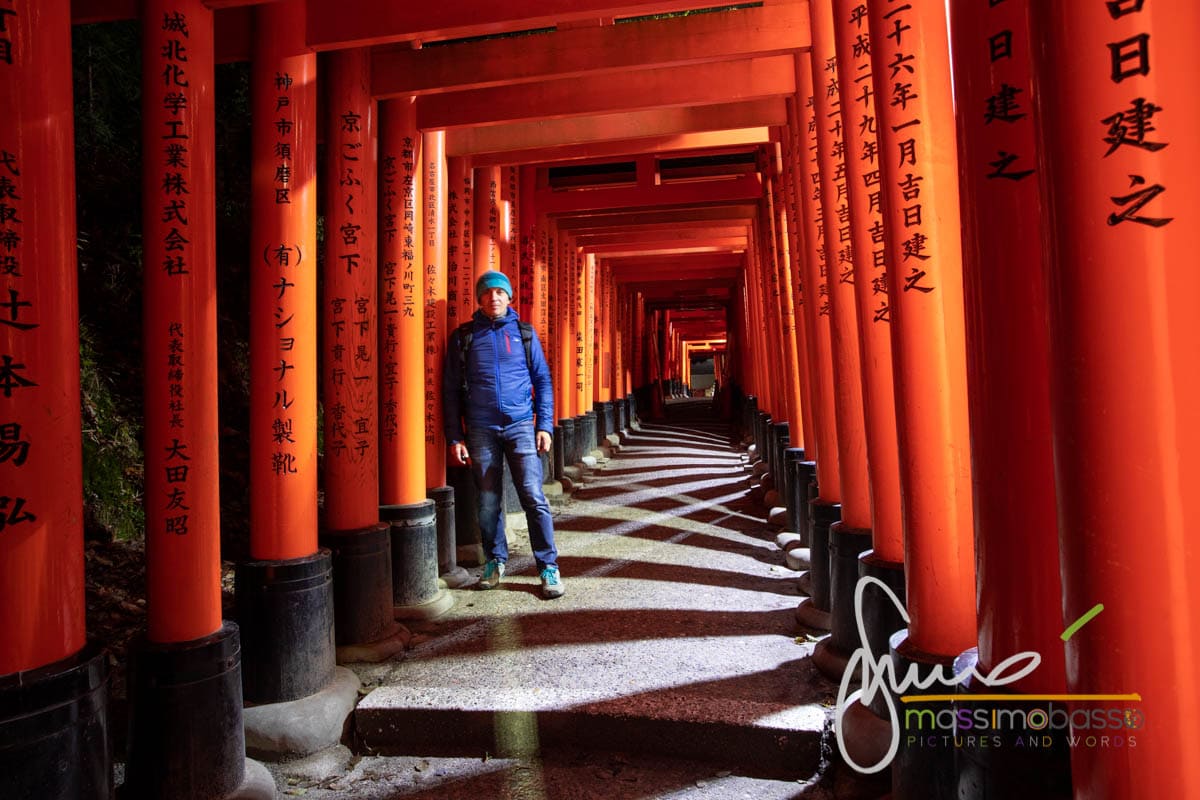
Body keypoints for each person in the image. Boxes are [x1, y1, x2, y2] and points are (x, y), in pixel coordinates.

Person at [442, 270, 564, 599]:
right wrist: (455, 437)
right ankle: (495, 561)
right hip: (480, 429)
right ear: (478, 299)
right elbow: (450, 390)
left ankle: (547, 566)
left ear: (509, 297)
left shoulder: (524, 333)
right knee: (487, 501)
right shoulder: (464, 337)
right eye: (487, 292)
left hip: (521, 425)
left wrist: (544, 425)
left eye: (499, 292)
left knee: (533, 497)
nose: (493, 297)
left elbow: (543, 381)